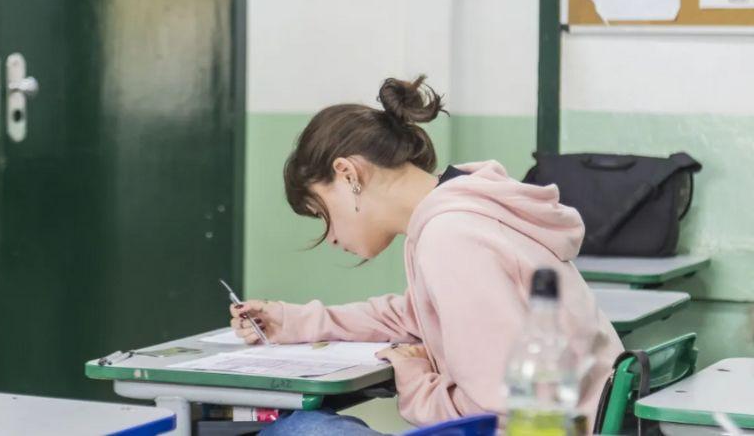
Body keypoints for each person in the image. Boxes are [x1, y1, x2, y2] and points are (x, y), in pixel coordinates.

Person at [231, 75, 624, 435]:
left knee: (299, 430)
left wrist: (416, 380)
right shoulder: (464, 207)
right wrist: (293, 321)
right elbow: (410, 314)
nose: (330, 237)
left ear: (348, 173)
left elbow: (496, 415)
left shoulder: (451, 236)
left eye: (322, 213)